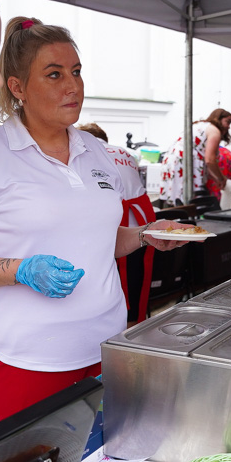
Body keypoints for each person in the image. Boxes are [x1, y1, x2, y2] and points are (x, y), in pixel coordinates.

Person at [0, 17, 187, 421]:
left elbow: (98, 239)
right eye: (54, 75)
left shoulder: (95, 150)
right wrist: (21, 270)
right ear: (17, 87)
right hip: (32, 358)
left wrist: (144, 234)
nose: (72, 86)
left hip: (108, 345)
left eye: (76, 72)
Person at [77, 123, 156, 324]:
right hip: (141, 222)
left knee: (111, 282)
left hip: (115, 227)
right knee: (136, 279)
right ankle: (134, 324)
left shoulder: (86, 151)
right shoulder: (125, 153)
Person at [158, 108, 231, 206]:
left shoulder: (202, 125)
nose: (228, 126)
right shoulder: (214, 131)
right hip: (184, 161)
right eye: (227, 122)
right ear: (218, 118)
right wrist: (221, 179)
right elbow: (210, 160)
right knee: (186, 200)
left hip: (173, 159)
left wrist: (216, 178)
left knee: (177, 196)